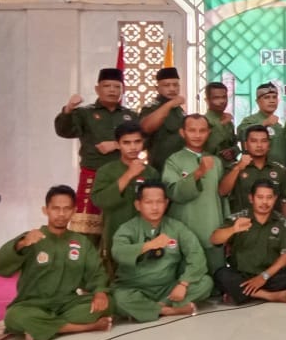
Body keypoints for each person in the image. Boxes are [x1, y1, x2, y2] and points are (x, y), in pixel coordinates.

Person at [0, 185, 112, 340]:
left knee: (109, 303)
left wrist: (100, 292)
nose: (61, 214)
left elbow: (96, 273)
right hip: (32, 305)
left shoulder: (82, 242)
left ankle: (43, 327)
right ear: (45, 210)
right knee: (14, 317)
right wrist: (21, 244)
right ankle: (85, 327)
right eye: (55, 208)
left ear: (74, 211)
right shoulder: (31, 238)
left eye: (67, 209)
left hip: (68, 304)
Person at [110, 182, 213, 321]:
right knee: (118, 298)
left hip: (167, 288)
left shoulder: (177, 227)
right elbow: (118, 252)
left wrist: (183, 284)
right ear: (138, 205)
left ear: (166, 203)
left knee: (206, 282)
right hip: (134, 288)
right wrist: (149, 245)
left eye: (159, 202)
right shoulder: (127, 228)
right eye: (148, 202)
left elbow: (196, 255)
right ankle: (170, 310)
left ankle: (150, 309)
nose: (155, 207)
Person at [54, 67, 138, 236]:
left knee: (119, 223)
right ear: (97, 89)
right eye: (107, 86)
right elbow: (64, 131)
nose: (112, 90)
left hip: (123, 175)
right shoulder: (85, 113)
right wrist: (68, 109)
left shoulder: (131, 115)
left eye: (117, 87)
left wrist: (116, 145)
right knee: (86, 227)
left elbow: (142, 141)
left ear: (122, 90)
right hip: (93, 173)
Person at [211, 180, 286, 305]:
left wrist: (263, 277)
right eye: (260, 197)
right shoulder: (239, 218)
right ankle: (268, 296)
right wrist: (233, 229)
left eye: (269, 197)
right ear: (251, 198)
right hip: (242, 275)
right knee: (221, 275)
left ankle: (241, 293)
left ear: (275, 199)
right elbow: (214, 239)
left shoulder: (284, 223)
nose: (265, 202)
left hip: (270, 276)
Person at [162, 114, 225, 273]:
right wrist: (199, 172)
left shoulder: (216, 162)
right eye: (192, 130)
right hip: (185, 226)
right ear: (182, 132)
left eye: (202, 130)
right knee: (187, 274)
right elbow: (174, 193)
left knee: (215, 275)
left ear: (208, 132)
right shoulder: (174, 161)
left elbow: (222, 198)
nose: (197, 135)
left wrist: (225, 228)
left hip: (212, 226)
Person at [91, 121, 159, 265]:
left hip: (145, 235)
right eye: (126, 143)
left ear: (143, 143)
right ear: (118, 144)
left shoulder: (151, 173)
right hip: (115, 232)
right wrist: (129, 175)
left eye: (137, 142)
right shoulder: (106, 171)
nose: (133, 147)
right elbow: (99, 200)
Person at [218, 125, 286, 217]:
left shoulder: (280, 170)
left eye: (263, 141)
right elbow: (222, 191)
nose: (259, 145)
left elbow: (285, 201)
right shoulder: (233, 168)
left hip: (272, 223)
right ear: (245, 145)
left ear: (269, 145)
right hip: (241, 222)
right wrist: (238, 168)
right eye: (254, 141)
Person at [139, 67, 186, 171]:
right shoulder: (151, 108)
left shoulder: (179, 110)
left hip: (180, 166)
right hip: (160, 167)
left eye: (175, 85)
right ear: (157, 88)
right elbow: (146, 128)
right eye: (167, 85)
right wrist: (170, 104)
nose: (172, 89)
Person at [237, 82, 286, 166]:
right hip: (255, 170)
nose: (272, 101)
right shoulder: (249, 120)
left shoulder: (278, 125)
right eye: (267, 97)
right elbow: (241, 134)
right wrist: (264, 124)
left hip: (279, 170)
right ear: (258, 101)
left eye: (274, 97)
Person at [202, 82, 239, 167]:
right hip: (211, 168)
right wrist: (221, 124)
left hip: (230, 167)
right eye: (216, 98)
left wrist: (232, 151)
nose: (222, 101)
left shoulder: (228, 122)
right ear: (207, 100)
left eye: (224, 97)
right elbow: (208, 148)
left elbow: (235, 145)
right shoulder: (203, 121)